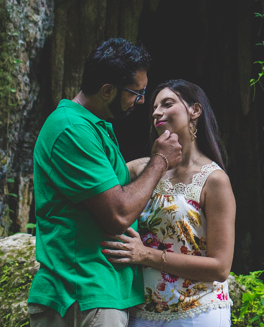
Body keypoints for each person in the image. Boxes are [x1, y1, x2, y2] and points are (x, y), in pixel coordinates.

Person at [28, 38, 184, 327]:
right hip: (83, 293)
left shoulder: (92, 127)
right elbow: (118, 214)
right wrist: (160, 160)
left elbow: (112, 185)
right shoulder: (73, 129)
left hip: (97, 292)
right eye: (136, 93)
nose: (141, 101)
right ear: (107, 90)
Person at [100, 79, 236, 327]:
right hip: (142, 313)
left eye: (167, 103)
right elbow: (101, 197)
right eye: (154, 108)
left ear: (195, 110)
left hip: (198, 312)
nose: (156, 112)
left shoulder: (214, 180)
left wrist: (146, 254)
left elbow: (220, 267)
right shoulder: (140, 169)